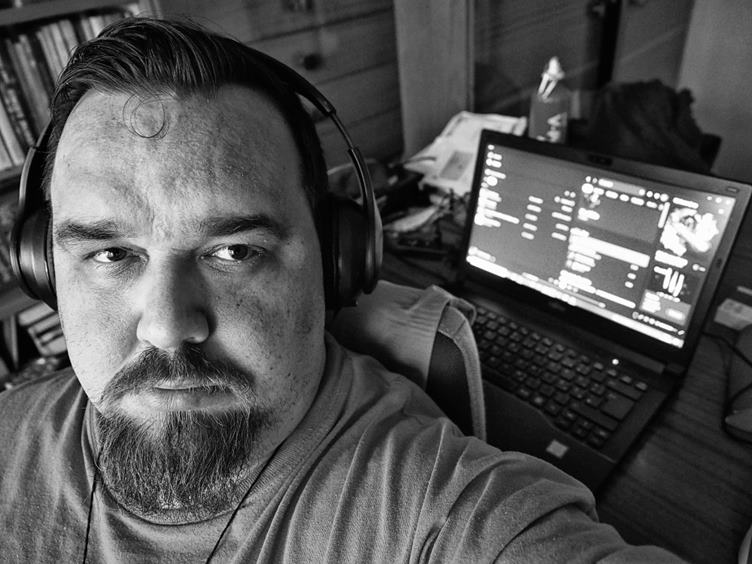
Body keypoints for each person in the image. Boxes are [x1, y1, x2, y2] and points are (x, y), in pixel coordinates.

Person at [0, 16, 683, 563]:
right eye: (111, 254)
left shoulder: (443, 508)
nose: (167, 325)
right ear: (42, 266)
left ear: (336, 262)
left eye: (235, 251)